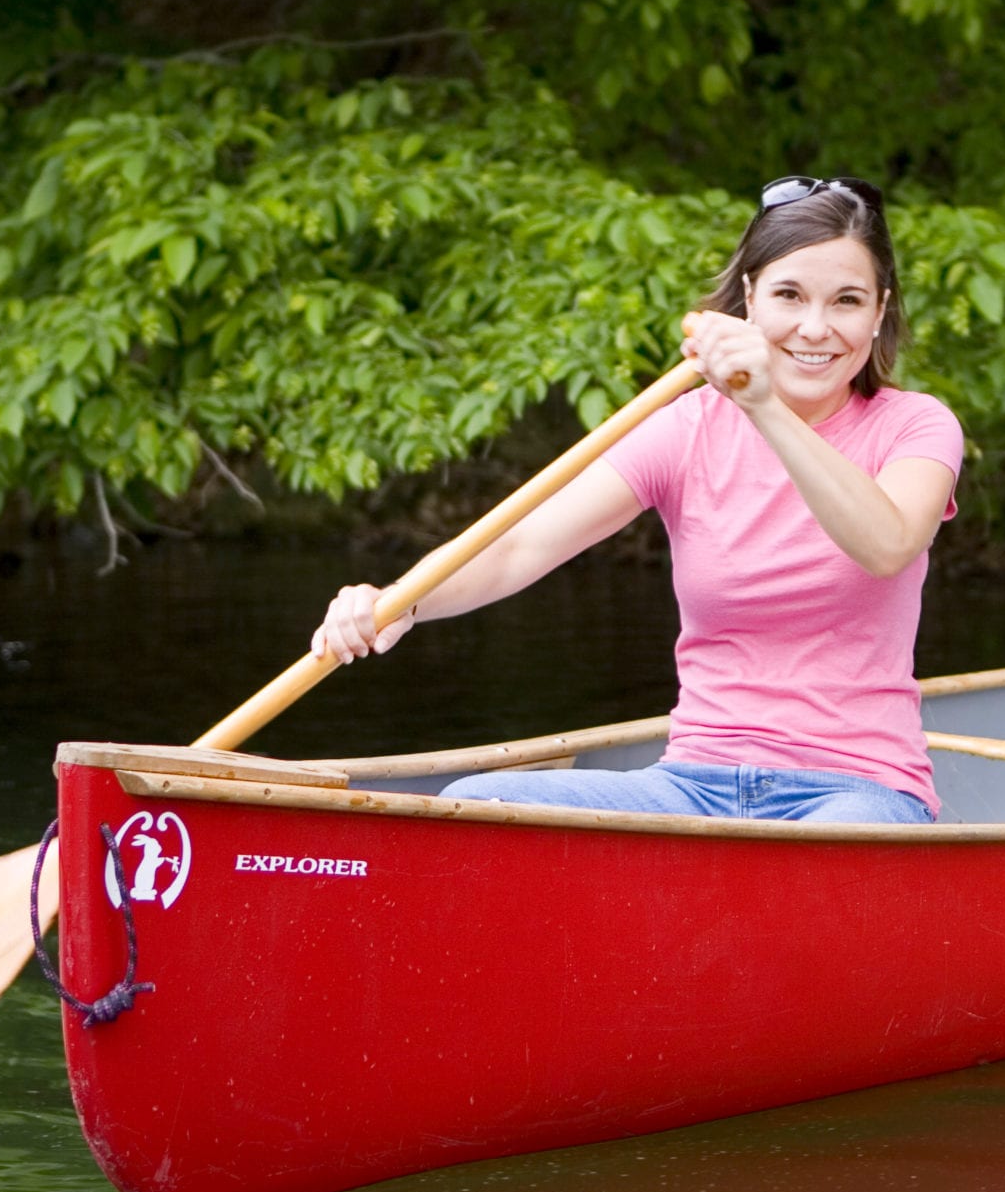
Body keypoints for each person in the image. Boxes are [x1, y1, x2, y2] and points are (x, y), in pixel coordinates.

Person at [313, 175, 963, 824]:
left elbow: (886, 543)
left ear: (878, 313)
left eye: (846, 301)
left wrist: (763, 403)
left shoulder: (916, 425)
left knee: (811, 858)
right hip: (695, 779)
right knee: (474, 803)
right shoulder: (687, 427)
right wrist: (402, 600)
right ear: (749, 299)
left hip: (859, 788)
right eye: (788, 294)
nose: (814, 327)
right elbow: (518, 545)